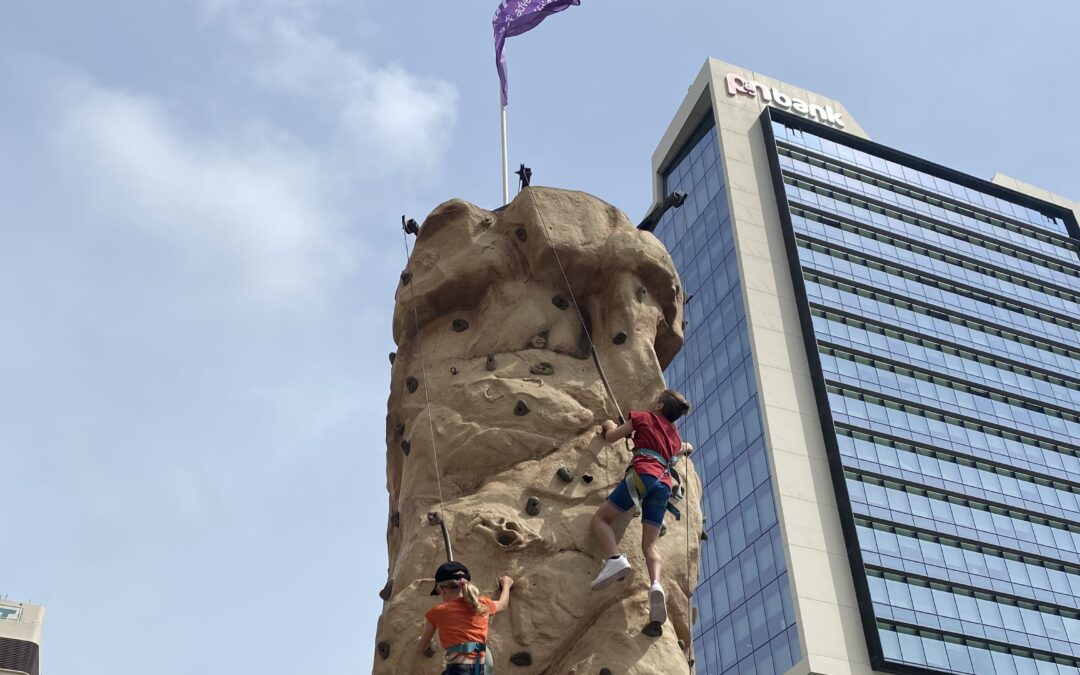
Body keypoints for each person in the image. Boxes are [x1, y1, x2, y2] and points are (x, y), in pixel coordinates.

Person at [589, 388, 692, 625]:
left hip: (643, 475)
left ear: (658, 405)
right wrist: (687, 447)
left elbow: (612, 437)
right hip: (663, 485)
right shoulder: (674, 438)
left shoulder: (643, 417)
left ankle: (615, 558)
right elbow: (679, 449)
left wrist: (607, 425)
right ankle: (656, 584)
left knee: (600, 520)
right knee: (650, 545)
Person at [417, 561, 513, 675]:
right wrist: (506, 584)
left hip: (458, 670)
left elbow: (423, 645)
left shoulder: (437, 612)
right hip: (479, 670)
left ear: (442, 590)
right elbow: (503, 604)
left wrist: (423, 643)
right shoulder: (482, 605)